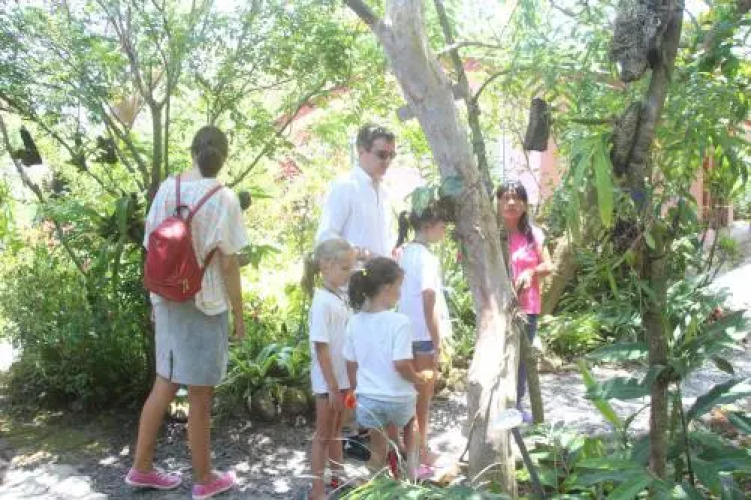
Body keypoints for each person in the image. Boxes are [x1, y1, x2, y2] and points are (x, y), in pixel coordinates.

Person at [125, 126, 248, 500]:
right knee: (200, 394)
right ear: (224, 156)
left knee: (164, 383)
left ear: (192, 151)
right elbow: (229, 264)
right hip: (204, 302)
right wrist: (239, 315)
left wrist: (156, 300)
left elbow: (150, 245)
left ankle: (141, 468)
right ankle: (204, 478)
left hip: (166, 300)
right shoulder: (224, 198)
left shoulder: (167, 188)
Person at [343, 258, 432, 479]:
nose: (400, 293)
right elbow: (401, 364)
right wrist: (418, 378)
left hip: (369, 399)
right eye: (399, 287)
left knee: (378, 447)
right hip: (399, 398)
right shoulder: (400, 322)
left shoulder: (354, 322)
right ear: (387, 288)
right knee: (411, 424)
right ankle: (412, 472)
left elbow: (350, 363)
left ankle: (375, 479)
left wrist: (357, 390)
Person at [395, 201, 452, 471]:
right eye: (442, 225)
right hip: (423, 336)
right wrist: (437, 339)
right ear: (428, 226)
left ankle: (410, 450)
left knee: (410, 396)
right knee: (422, 400)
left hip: (405, 334)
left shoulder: (404, 252)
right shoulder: (427, 258)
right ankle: (420, 453)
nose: (444, 230)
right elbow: (429, 297)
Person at [301, 239, 356, 500]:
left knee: (336, 431)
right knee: (323, 435)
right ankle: (316, 490)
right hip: (328, 383)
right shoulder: (322, 301)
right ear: (325, 265)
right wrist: (333, 386)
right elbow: (321, 347)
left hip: (341, 380)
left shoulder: (340, 296)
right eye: (344, 268)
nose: (349, 273)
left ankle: (338, 475)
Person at [496, 180, 551, 420]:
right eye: (506, 198)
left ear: (525, 205)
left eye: (517, 198)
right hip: (496, 308)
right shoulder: (491, 234)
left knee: (521, 360)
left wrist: (531, 272)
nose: (511, 203)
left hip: (527, 307)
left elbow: (549, 265)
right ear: (497, 202)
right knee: (498, 356)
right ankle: (496, 406)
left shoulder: (533, 234)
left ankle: (516, 406)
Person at [315, 124, 397, 261]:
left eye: (391, 155)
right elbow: (325, 238)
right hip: (355, 273)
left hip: (384, 273)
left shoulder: (384, 191)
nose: (387, 161)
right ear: (361, 151)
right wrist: (359, 253)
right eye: (382, 155)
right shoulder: (345, 186)